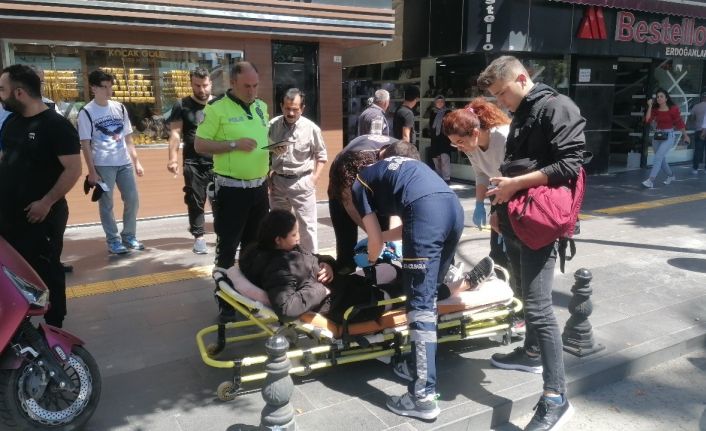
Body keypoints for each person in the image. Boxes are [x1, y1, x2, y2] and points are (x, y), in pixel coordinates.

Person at [331, 147, 495, 420]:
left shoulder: (358, 184)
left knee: (419, 307)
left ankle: (423, 396)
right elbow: (408, 223)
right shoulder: (393, 169)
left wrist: (371, 258)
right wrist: (381, 238)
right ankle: (415, 365)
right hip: (452, 209)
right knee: (427, 296)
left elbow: (376, 243)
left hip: (426, 213)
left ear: (344, 182)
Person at [476, 55, 584, 431]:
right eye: (496, 96)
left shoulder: (558, 107)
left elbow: (571, 164)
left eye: (502, 93)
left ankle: (556, 397)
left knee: (538, 308)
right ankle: (532, 351)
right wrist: (498, 207)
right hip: (516, 218)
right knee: (524, 293)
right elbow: (512, 165)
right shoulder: (522, 111)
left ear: (521, 79)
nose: (500, 102)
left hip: (540, 221)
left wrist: (516, 185)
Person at [0, 64, 82, 328]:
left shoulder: (56, 126)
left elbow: (73, 169)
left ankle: (54, 325)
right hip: (9, 215)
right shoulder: (12, 123)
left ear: (19, 93)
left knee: (46, 270)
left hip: (42, 216)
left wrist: (46, 202)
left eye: (2, 89)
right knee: (14, 272)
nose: (0, 95)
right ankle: (20, 323)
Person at [194, 61, 269, 318]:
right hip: (232, 190)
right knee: (227, 247)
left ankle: (247, 296)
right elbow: (200, 145)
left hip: (259, 188)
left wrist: (275, 149)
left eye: (255, 85)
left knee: (254, 247)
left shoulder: (261, 107)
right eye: (246, 86)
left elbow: (262, 140)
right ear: (233, 83)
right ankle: (225, 301)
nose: (252, 91)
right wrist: (234, 144)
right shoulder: (216, 109)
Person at [239, 209, 405, 323]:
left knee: (392, 272)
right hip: (340, 305)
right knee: (398, 292)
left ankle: (401, 277)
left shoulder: (276, 250)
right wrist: (321, 289)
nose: (298, 237)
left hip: (339, 288)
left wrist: (327, 265)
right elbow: (286, 309)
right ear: (278, 240)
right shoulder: (280, 269)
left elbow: (314, 258)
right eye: (294, 234)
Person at [78, 69, 145, 255]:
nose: (109, 91)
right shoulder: (86, 112)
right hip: (102, 164)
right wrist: (92, 171)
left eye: (110, 86)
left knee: (132, 199)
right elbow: (85, 144)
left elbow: (128, 138)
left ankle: (129, 235)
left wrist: (136, 162)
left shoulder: (119, 107)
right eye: (104, 87)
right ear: (93, 88)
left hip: (124, 162)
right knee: (106, 204)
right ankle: (113, 240)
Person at [443, 97, 511, 275]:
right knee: (498, 252)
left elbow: (514, 177)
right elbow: (481, 174)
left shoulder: (503, 137)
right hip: (499, 194)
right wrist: (479, 204)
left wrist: (500, 213)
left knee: (514, 255)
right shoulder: (471, 146)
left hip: (517, 194)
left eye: (460, 142)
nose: (459, 148)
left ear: (475, 132)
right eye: (454, 144)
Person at [327, 134, 399, 274]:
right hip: (341, 189)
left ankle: (384, 274)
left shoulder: (401, 156)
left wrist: (389, 239)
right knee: (347, 248)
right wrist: (375, 236)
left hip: (375, 181)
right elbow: (350, 206)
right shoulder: (348, 166)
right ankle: (346, 273)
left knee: (386, 248)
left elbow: (397, 207)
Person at [267, 88, 327, 253]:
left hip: (302, 182)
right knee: (278, 225)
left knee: (307, 226)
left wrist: (314, 179)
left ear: (302, 108)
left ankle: (311, 261)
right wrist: (267, 176)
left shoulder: (311, 128)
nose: (291, 113)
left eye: (295, 109)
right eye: (287, 108)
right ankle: (281, 259)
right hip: (278, 183)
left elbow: (322, 156)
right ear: (281, 106)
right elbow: (264, 152)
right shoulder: (272, 125)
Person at [167, 67, 214, 255]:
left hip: (219, 163)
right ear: (191, 84)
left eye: (205, 85)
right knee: (195, 200)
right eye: (197, 85)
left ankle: (225, 236)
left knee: (223, 202)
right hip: (193, 163)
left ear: (211, 83)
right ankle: (199, 238)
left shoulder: (219, 104)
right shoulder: (182, 105)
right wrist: (172, 159)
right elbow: (175, 133)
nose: (202, 90)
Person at [642, 88, 689, 188]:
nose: (659, 98)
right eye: (657, 97)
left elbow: (679, 123)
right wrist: (650, 106)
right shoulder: (655, 109)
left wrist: (685, 135)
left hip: (668, 136)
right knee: (661, 159)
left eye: (661, 96)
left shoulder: (673, 109)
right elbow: (648, 120)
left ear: (666, 98)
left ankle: (651, 180)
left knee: (658, 157)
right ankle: (671, 176)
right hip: (657, 136)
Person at [429, 95, 452, 183]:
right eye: (438, 102)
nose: (440, 103)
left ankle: (446, 178)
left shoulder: (448, 112)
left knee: (444, 158)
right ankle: (439, 177)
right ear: (435, 103)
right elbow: (431, 125)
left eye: (442, 101)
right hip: (435, 139)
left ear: (444, 102)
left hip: (444, 139)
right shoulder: (433, 112)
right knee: (436, 159)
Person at [692, 92, 706, 174]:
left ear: (702, 98)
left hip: (699, 130)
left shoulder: (696, 106)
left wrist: (696, 124)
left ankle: (695, 169)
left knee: (697, 150)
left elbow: (692, 118)